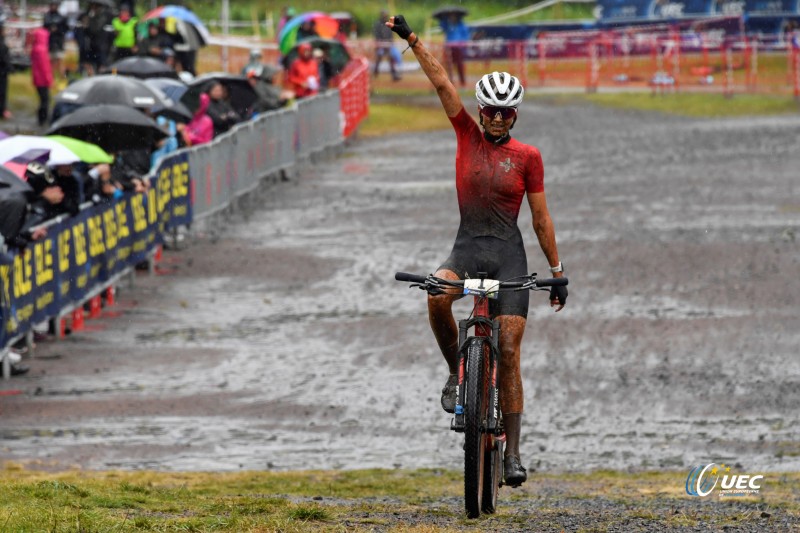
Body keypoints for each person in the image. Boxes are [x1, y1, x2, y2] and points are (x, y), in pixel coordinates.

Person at [386, 15, 568, 488]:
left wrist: (557, 271)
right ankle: (454, 374)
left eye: (506, 113)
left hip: (510, 256)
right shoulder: (466, 134)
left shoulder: (528, 158)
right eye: (491, 109)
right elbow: (442, 81)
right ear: (482, 109)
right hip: (466, 248)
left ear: (516, 116)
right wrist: (411, 38)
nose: (497, 118)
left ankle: (513, 454)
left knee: (508, 349)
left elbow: (541, 219)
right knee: (435, 295)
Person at [29, 25, 53, 127]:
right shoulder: (42, 50)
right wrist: (49, 79)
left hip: (37, 78)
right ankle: (43, 119)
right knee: (45, 100)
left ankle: (41, 118)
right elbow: (45, 68)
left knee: (43, 99)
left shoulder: (35, 48)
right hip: (42, 80)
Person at [438, 13, 470, 87]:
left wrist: (461, 43)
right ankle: (450, 82)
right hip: (449, 48)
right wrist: (442, 19)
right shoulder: (448, 24)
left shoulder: (461, 25)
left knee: (459, 65)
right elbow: (442, 27)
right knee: (449, 65)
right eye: (451, 16)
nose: (452, 17)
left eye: (454, 15)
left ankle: (462, 82)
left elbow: (465, 36)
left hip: (458, 48)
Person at [43, 0, 68, 79]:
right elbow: (44, 28)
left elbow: (65, 29)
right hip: (49, 42)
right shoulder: (47, 16)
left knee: (60, 60)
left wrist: (58, 30)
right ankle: (51, 78)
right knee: (50, 62)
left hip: (58, 42)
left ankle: (62, 78)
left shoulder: (61, 17)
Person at [372, 11, 400, 81]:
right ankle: (375, 73)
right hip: (380, 45)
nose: (385, 17)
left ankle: (394, 75)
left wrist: (391, 41)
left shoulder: (388, 24)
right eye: (384, 15)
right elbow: (376, 34)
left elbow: (390, 34)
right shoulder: (378, 24)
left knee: (391, 59)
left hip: (387, 45)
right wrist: (379, 43)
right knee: (378, 59)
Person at [0, 16, 12, 120]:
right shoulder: (2, 44)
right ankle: (2, 110)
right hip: (2, 73)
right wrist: (10, 69)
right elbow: (5, 59)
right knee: (2, 93)